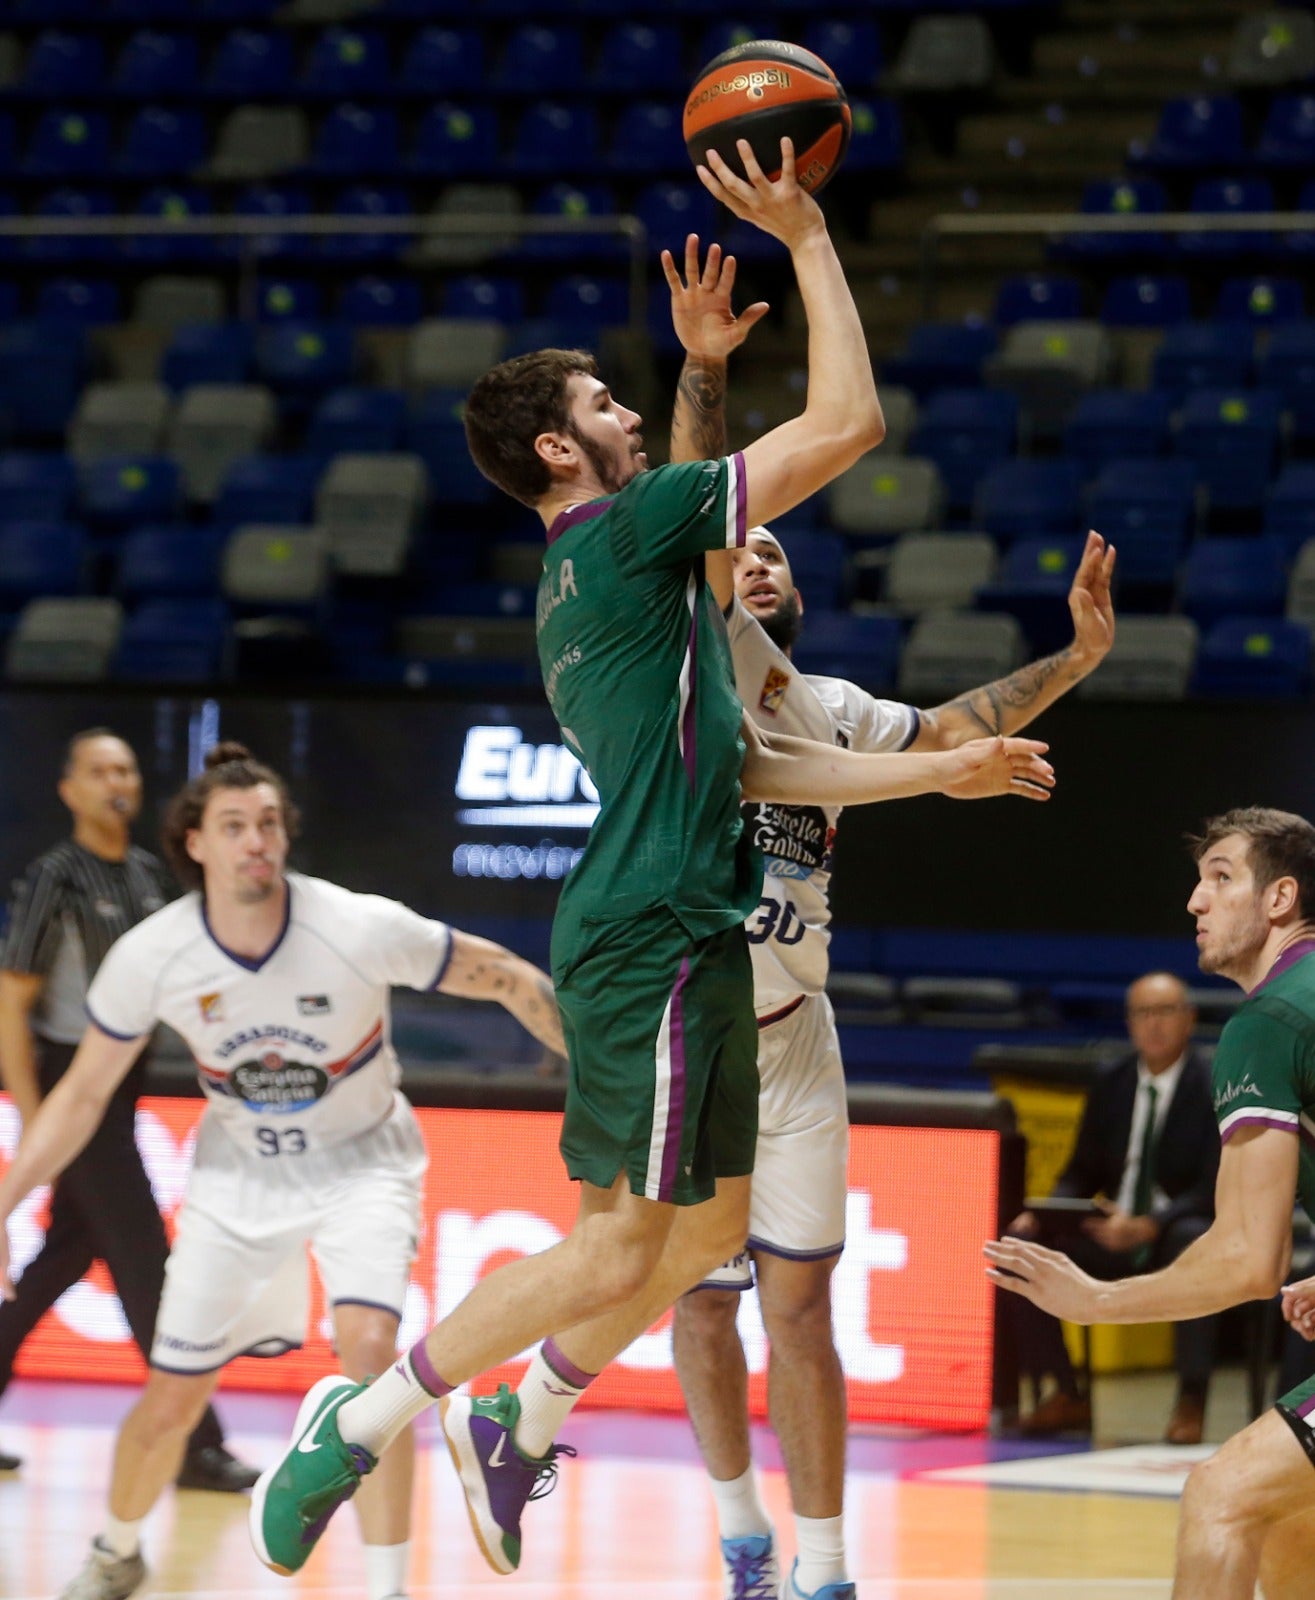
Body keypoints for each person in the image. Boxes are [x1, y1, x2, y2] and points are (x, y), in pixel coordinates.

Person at [249, 137, 1057, 1587]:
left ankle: (518, 1420)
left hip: (673, 920)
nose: (628, 412)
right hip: (656, 932)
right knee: (625, 1249)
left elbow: (755, 766)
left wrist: (936, 766)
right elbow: (851, 420)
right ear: (561, 451)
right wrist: (806, 233)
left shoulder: (603, 575)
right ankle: (357, 1422)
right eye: (601, 401)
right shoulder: (625, 538)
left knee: (699, 1245)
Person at [656, 512, 1115, 1600]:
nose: (757, 561)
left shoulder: (838, 711)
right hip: (688, 1033)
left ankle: (826, 1570)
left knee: (801, 1307)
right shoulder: (663, 694)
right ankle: (741, 1538)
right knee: (702, 1300)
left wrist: (1082, 656)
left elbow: (957, 730)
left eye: (777, 553)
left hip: (796, 1038)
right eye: (742, 549)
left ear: (799, 597)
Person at [0, 741, 567, 1600]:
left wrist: (604, 1068)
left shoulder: (356, 925)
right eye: (234, 826)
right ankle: (117, 1551)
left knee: (373, 1367)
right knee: (172, 1395)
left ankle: (386, 1587)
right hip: (237, 1183)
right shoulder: (155, 953)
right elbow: (79, 1100)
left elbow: (508, 976)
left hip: (363, 1165)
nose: (255, 841)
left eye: (268, 823)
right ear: (196, 842)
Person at [986, 807, 1315, 1600]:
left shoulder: (1268, 1022)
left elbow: (1245, 1261)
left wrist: (1096, 1301)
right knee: (1284, 1518)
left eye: (1219, 878)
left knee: (1223, 1499)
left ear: (1279, 899)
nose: (1194, 903)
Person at [0, 728, 253, 1492]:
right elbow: (13, 1003)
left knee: (63, 1260)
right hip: (72, 1089)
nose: (117, 780)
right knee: (149, 1263)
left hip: (123, 1082)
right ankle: (194, 1444)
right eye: (99, 770)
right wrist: (38, 1113)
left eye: (127, 768)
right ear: (69, 789)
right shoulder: (56, 877)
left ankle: (192, 1441)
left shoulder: (148, 876)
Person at [1004, 971, 1219, 1446]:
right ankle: (1066, 1393)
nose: (1154, 1025)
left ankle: (1191, 1398)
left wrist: (1147, 1226)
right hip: (1110, 1228)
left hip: (1172, 1229)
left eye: (1165, 1012)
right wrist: (1047, 1210)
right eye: (1143, 1013)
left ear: (1189, 1019)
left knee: (1195, 1238)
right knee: (1022, 1245)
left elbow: (1213, 1186)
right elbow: (1080, 1169)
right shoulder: (1112, 1080)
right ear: (1129, 1022)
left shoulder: (1214, 1083)